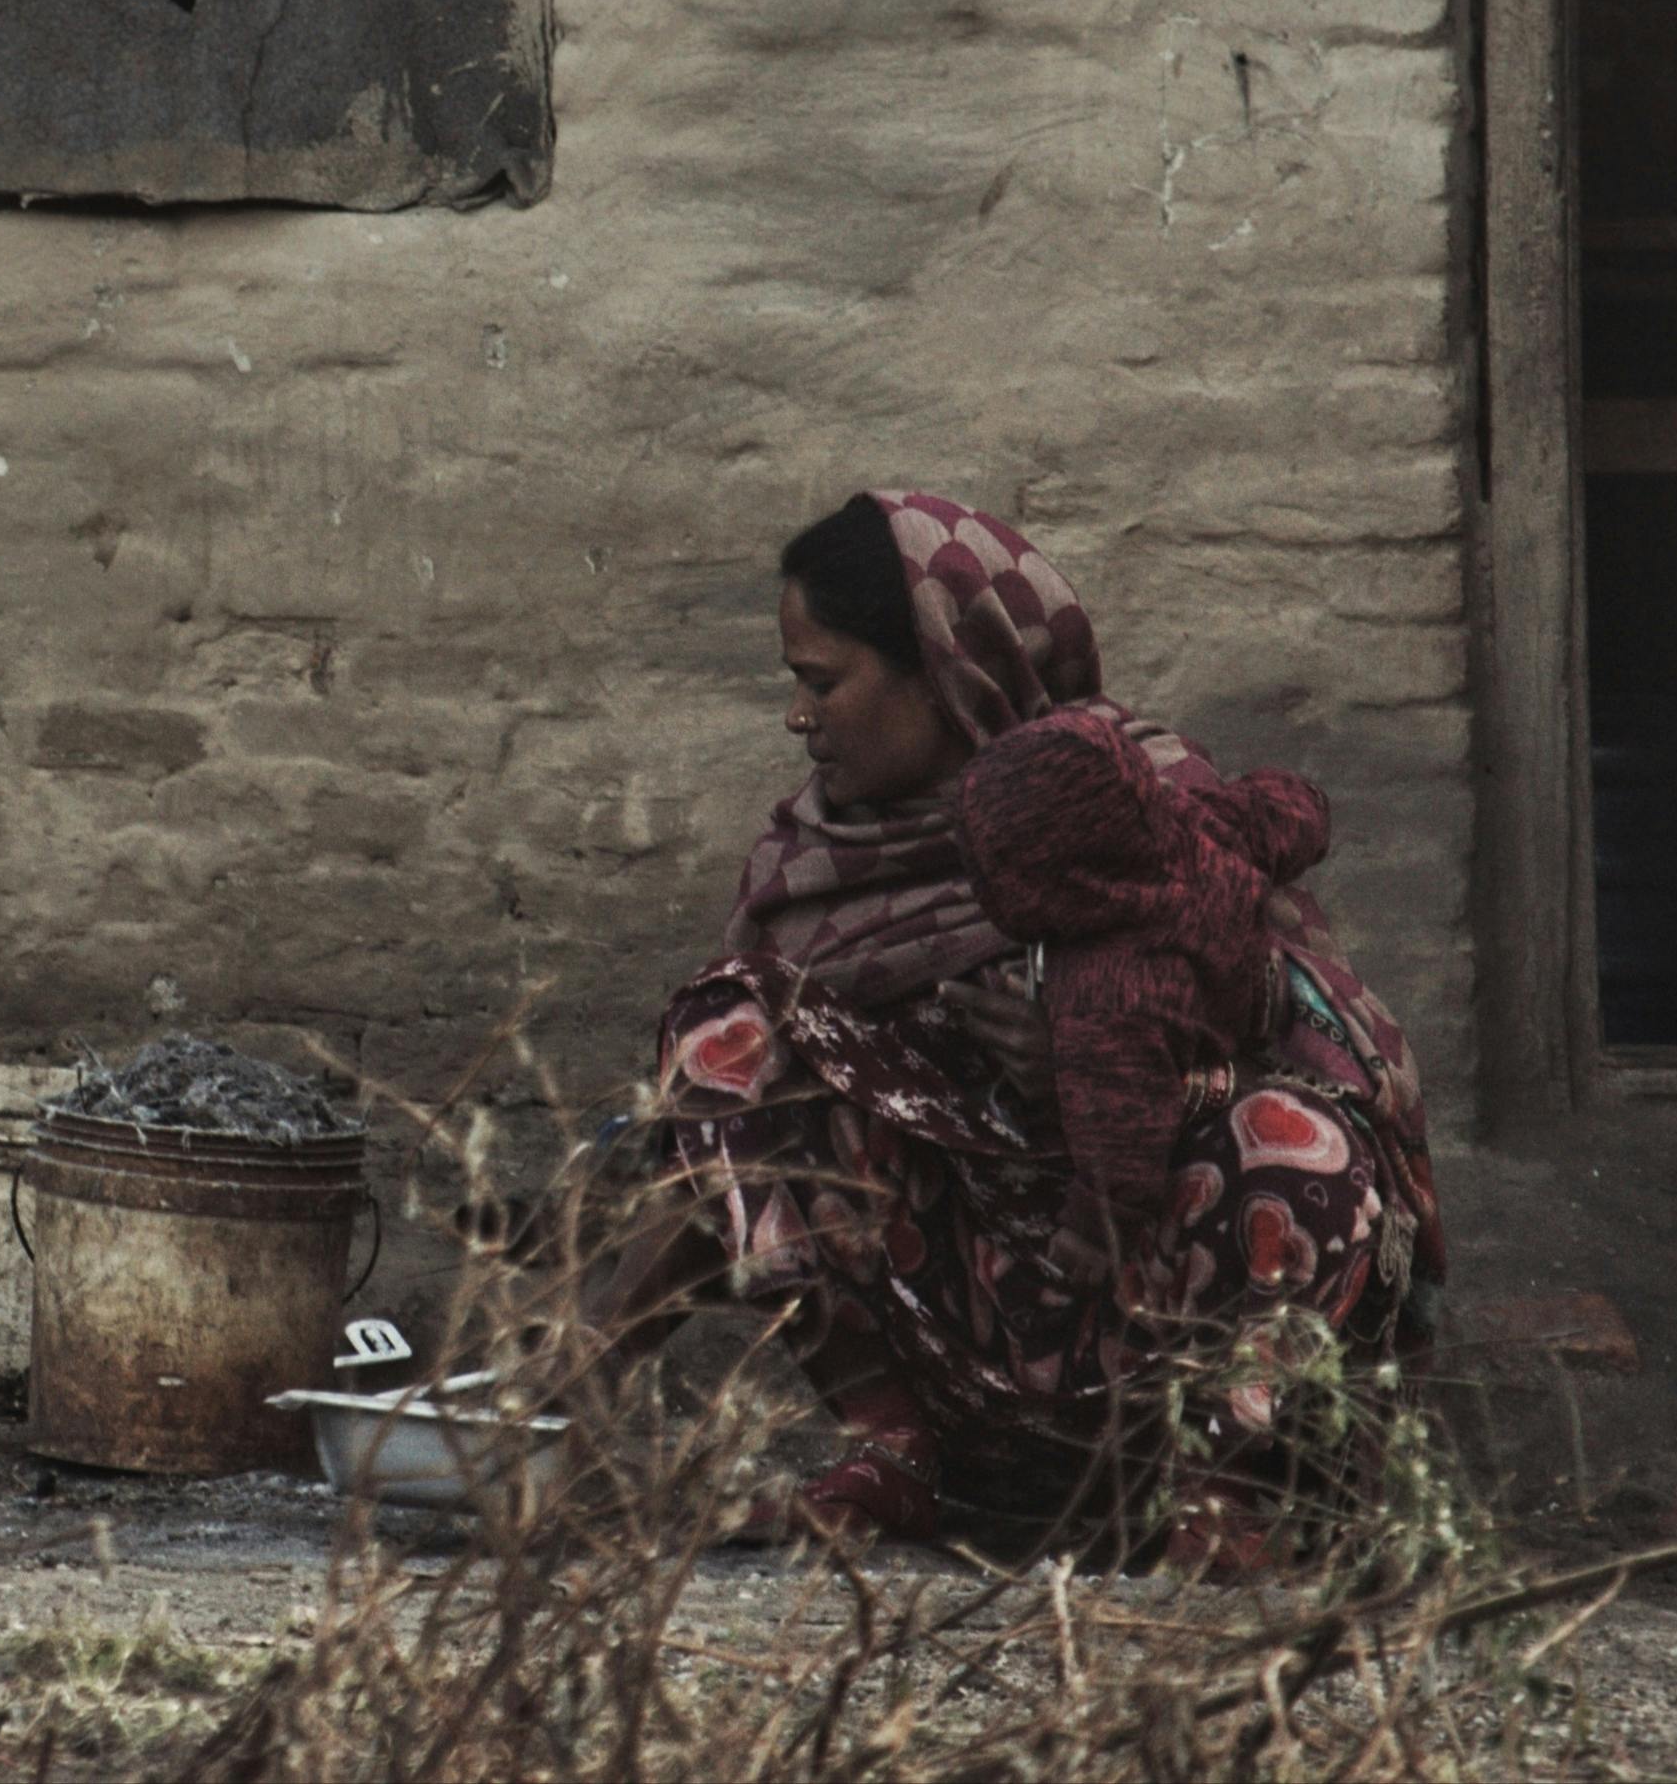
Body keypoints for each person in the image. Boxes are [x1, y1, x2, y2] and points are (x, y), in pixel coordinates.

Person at [596, 492, 1442, 1563]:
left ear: (951, 672)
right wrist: (587, 1344)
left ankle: (1228, 1492)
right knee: (728, 1024)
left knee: (1306, 1145)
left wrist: (1096, 1077)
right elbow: (718, 1143)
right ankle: (893, 1450)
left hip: (1155, 1331)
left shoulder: (1142, 806)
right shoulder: (819, 865)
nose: (798, 718)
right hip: (957, 1322)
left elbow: (1336, 1059)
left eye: (822, 682)